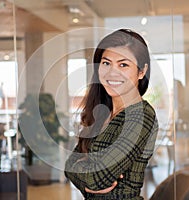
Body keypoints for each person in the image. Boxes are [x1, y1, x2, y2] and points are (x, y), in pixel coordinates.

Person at [64, 29, 159, 199]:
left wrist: (85, 169)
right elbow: (69, 165)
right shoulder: (101, 111)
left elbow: (96, 180)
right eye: (106, 63)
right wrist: (84, 169)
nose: (112, 73)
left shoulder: (141, 115)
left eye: (123, 64)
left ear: (141, 71)